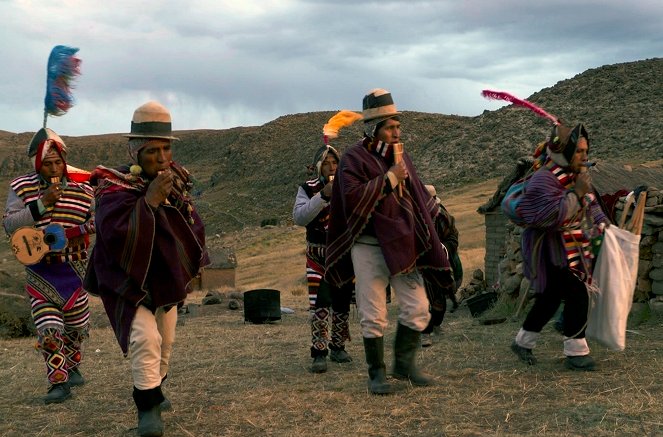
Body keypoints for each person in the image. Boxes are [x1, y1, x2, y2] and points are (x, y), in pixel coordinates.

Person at [84, 101, 209, 436]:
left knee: (165, 343)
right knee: (145, 338)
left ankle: (156, 384)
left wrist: (190, 265)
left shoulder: (178, 183)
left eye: (166, 149)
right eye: (153, 150)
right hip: (127, 281)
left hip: (164, 279)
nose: (162, 157)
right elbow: (114, 234)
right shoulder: (114, 188)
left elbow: (192, 228)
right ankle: (148, 408)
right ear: (135, 152)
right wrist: (150, 202)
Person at [325, 88, 453, 394]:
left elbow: (417, 195)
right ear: (374, 130)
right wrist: (391, 178)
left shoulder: (401, 155)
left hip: (402, 245)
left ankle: (404, 366)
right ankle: (376, 375)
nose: (397, 132)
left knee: (418, 306)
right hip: (367, 246)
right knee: (373, 313)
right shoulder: (353, 159)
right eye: (391, 127)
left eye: (398, 126)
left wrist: (435, 215)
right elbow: (352, 198)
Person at [3, 128, 95, 404]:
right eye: (47, 163)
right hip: (40, 272)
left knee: (76, 328)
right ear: (36, 164)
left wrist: (79, 231)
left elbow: (100, 222)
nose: (54, 167)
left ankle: (73, 366)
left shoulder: (83, 189)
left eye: (58, 162)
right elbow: (9, 225)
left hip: (75, 272)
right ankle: (59, 383)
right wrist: (42, 204)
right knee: (49, 329)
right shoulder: (22, 187)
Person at [510, 123, 609, 371]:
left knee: (549, 299)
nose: (584, 156)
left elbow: (592, 205)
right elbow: (550, 217)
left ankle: (523, 341)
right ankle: (576, 352)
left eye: (586, 150)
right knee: (577, 293)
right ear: (564, 152)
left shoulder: (577, 176)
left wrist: (606, 227)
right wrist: (575, 194)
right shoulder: (543, 179)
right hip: (549, 251)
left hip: (571, 248)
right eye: (578, 151)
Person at [292, 144, 353, 373]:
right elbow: (299, 217)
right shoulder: (307, 188)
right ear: (318, 166)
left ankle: (338, 347)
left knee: (342, 301)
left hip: (343, 254)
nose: (331, 167)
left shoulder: (347, 186)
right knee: (320, 303)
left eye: (335, 162)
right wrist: (323, 195)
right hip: (318, 255)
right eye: (326, 163)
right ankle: (319, 352)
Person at [420, 185, 462, 347]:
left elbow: (452, 237)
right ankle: (425, 333)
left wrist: (442, 249)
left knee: (439, 303)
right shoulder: (414, 216)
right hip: (420, 265)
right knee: (421, 302)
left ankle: (435, 325)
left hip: (439, 264)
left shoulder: (443, 216)